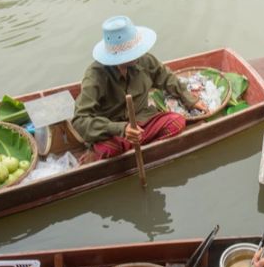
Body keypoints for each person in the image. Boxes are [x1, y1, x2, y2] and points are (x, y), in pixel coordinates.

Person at [72, 16, 208, 161]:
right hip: (115, 131)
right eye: (132, 53)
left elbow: (166, 77)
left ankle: (143, 150)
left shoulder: (144, 60)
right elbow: (80, 120)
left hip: (143, 121)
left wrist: (189, 99)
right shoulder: (95, 76)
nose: (138, 54)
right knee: (106, 150)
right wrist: (122, 129)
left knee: (177, 122)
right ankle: (124, 147)